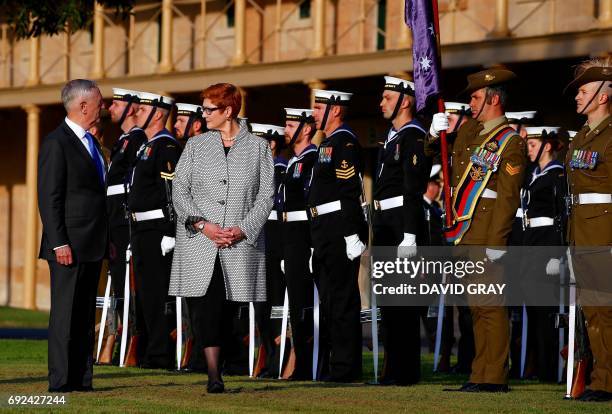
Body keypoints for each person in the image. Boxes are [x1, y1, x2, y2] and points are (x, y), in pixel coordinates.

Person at [169, 83, 274, 393]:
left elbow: (266, 196)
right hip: (200, 241)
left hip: (238, 244)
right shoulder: (195, 146)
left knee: (229, 313)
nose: (204, 114)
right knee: (205, 309)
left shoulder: (258, 148)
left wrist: (242, 229)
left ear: (228, 111)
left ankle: (228, 360)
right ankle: (214, 376)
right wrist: (202, 224)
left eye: (209, 109)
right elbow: (180, 190)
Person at [430, 69, 526, 392]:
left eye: (475, 97)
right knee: (475, 307)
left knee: (491, 306)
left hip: (487, 232)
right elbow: (444, 155)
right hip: (466, 230)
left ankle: (495, 375)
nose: (470, 103)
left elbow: (508, 198)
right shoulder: (471, 130)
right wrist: (435, 134)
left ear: (493, 98)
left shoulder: (511, 143)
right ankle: (479, 372)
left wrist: (498, 240)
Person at [38, 79, 107, 392]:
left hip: (92, 243)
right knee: (65, 315)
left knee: (83, 315)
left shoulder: (91, 143)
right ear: (83, 106)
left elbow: (98, 197)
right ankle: (62, 380)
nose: (102, 108)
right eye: (99, 103)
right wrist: (58, 242)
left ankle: (82, 378)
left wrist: (109, 242)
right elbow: (49, 197)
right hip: (68, 244)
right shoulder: (57, 142)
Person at [372, 76, 430, 385]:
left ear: (404, 101)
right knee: (389, 303)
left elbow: (411, 187)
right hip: (385, 224)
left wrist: (410, 235)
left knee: (402, 302)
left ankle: (404, 372)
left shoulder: (413, 135)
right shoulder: (393, 136)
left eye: (387, 97)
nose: (381, 103)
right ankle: (393, 369)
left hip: (401, 225)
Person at [309, 89, 367, 382]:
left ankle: (346, 368)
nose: (314, 113)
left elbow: (348, 192)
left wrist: (351, 233)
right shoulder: (328, 143)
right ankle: (336, 364)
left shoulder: (344, 141)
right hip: (324, 230)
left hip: (338, 229)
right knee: (331, 301)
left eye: (319, 107)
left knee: (343, 301)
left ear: (336, 110)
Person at [564, 57, 612, 402]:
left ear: (603, 95)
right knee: (593, 311)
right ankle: (600, 377)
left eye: (583, 91)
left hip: (604, 234)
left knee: (605, 311)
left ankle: (606, 382)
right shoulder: (582, 136)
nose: (577, 97)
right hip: (581, 232)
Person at [128, 92, 182, 369]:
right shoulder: (145, 146)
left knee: (157, 293)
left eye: (144, 108)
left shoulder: (166, 147)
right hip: (140, 229)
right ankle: (150, 350)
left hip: (156, 230)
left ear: (158, 114)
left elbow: (171, 192)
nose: (136, 111)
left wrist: (171, 231)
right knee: (145, 294)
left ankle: (160, 354)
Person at [518, 126, 567, 382]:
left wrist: (555, 255)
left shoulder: (557, 175)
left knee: (547, 314)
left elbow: (561, 218)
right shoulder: (532, 175)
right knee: (534, 312)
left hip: (546, 249)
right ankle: (537, 367)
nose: (529, 150)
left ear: (547, 146)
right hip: (530, 247)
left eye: (533, 145)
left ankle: (550, 371)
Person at [104, 88, 147, 364]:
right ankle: (118, 341)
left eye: (117, 103)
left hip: (123, 220)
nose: (110, 107)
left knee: (128, 285)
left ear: (131, 108)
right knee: (118, 284)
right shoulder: (122, 141)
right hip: (113, 220)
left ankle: (132, 342)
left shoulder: (137, 140)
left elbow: (134, 184)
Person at [279, 108, 318, 380]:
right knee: (296, 305)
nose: (286, 130)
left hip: (305, 239)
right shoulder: (294, 161)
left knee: (306, 305)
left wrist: (313, 245)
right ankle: (299, 362)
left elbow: (312, 204)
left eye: (292, 125)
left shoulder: (313, 159)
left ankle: (306, 364)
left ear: (306, 129)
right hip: (291, 239)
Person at [250, 122, 287, 378]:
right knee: (261, 309)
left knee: (275, 308)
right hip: (257, 249)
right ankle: (268, 358)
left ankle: (279, 361)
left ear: (272, 144)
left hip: (275, 248)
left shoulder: (280, 169)